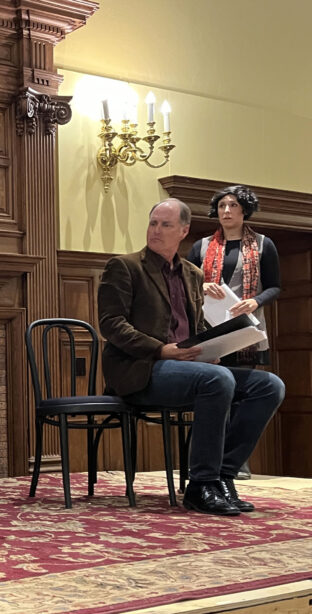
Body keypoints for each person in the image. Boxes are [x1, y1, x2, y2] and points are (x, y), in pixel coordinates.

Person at [97, 198, 285, 516]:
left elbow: (196, 327)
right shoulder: (125, 266)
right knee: (218, 378)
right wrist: (160, 350)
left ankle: (223, 476)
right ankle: (201, 484)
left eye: (165, 224)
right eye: (153, 222)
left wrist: (210, 350)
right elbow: (111, 325)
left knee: (269, 386)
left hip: (187, 367)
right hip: (142, 369)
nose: (156, 230)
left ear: (183, 231)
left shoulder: (192, 273)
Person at [186, 185, 280, 480]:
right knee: (215, 392)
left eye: (234, 206)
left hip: (245, 327)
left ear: (245, 211)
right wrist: (200, 286)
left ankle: (235, 460)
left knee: (242, 395)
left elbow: (275, 285)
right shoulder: (200, 246)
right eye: (223, 206)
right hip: (209, 328)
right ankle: (205, 460)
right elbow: (184, 284)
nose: (227, 211)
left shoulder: (264, 244)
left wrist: (256, 299)